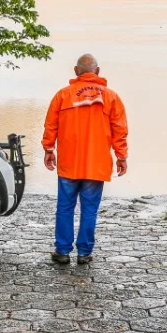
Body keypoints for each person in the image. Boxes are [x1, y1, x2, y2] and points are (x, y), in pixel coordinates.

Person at [42, 53, 128, 264]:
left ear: (76, 71)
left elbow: (51, 125)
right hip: (96, 164)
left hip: (69, 163)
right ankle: (84, 253)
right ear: (97, 72)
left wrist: (48, 149)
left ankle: (62, 251)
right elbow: (120, 130)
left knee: (64, 208)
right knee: (89, 209)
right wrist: (121, 156)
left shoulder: (63, 95)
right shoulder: (111, 97)